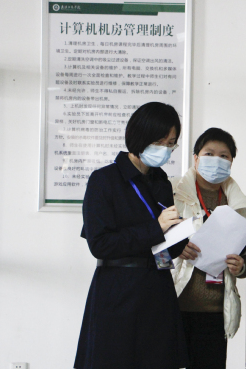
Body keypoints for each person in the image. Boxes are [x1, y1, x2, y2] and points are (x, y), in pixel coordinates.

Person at [74, 102, 189, 369]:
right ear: (139, 136)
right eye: (159, 141)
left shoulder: (162, 182)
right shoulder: (104, 180)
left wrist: (180, 234)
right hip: (118, 292)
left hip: (158, 291)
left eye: (171, 143)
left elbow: (165, 247)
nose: (165, 149)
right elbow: (100, 244)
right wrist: (156, 228)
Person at [172, 128, 246, 369]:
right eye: (209, 154)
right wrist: (175, 248)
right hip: (174, 305)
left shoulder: (239, 204)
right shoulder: (172, 193)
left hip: (215, 311)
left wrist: (242, 266)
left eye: (224, 156)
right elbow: (154, 243)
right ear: (196, 158)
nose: (216, 160)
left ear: (231, 162)